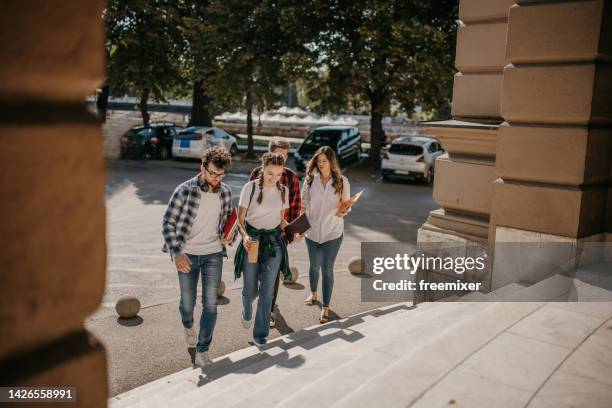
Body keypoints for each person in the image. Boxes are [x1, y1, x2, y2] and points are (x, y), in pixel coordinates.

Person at [161, 146, 234, 367]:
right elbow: (168, 223)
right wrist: (177, 252)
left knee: (210, 304)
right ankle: (188, 325)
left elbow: (229, 225)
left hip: (213, 254)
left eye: (221, 175)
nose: (216, 179)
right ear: (202, 168)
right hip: (187, 255)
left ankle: (203, 350)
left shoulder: (226, 192)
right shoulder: (185, 190)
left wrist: (229, 238)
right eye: (213, 173)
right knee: (187, 303)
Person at [235, 152, 301, 346]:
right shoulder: (250, 188)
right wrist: (245, 237)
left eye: (279, 174)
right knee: (249, 292)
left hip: (274, 244)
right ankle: (246, 308)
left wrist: (292, 232)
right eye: (270, 173)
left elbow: (281, 220)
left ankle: (260, 335)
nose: (274, 178)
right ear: (263, 169)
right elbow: (240, 221)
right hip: (252, 242)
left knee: (267, 292)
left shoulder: (283, 190)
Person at [248, 137, 301, 328]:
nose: (283, 158)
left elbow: (295, 207)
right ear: (269, 154)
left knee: (273, 272)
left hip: (279, 233)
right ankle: (259, 299)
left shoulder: (291, 177)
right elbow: (249, 204)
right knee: (256, 272)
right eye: (279, 154)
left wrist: (292, 232)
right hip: (256, 232)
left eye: (286, 155)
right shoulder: (256, 173)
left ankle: (269, 310)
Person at [301, 146, 350, 324]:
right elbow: (303, 205)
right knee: (314, 266)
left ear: (331, 162)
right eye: (318, 161)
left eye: (324, 161)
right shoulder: (309, 180)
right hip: (312, 233)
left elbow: (346, 205)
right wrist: (298, 230)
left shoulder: (342, 181)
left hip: (333, 232)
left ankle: (326, 307)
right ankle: (313, 293)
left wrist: (343, 211)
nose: (321, 164)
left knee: (327, 269)